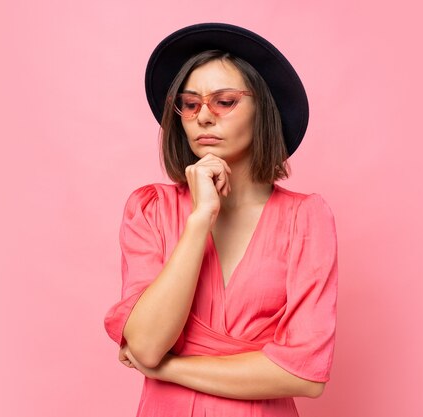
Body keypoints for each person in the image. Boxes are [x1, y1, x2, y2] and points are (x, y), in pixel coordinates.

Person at [104, 22, 339, 417]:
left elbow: (305, 375)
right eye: (190, 103)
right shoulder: (150, 209)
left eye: (224, 101)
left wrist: (171, 368)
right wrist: (199, 219)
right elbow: (145, 344)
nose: (204, 117)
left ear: (262, 109)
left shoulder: (306, 218)